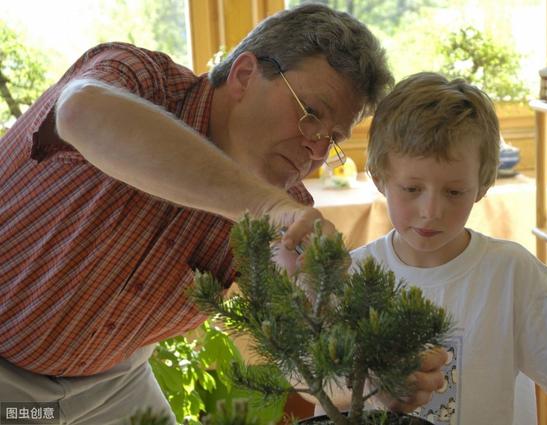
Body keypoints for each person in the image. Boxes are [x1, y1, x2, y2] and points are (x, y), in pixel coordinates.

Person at [0, 4, 445, 424]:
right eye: (310, 113)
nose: (314, 147)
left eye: (331, 139)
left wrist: (365, 380)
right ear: (245, 73)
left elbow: (301, 360)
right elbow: (81, 111)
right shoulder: (140, 79)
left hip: (111, 382)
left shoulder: (286, 209)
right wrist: (267, 207)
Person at [343, 72, 547, 425]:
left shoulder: (512, 273)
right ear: (379, 177)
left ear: (483, 185)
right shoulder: (350, 277)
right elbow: (330, 397)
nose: (431, 211)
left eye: (454, 192)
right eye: (411, 188)